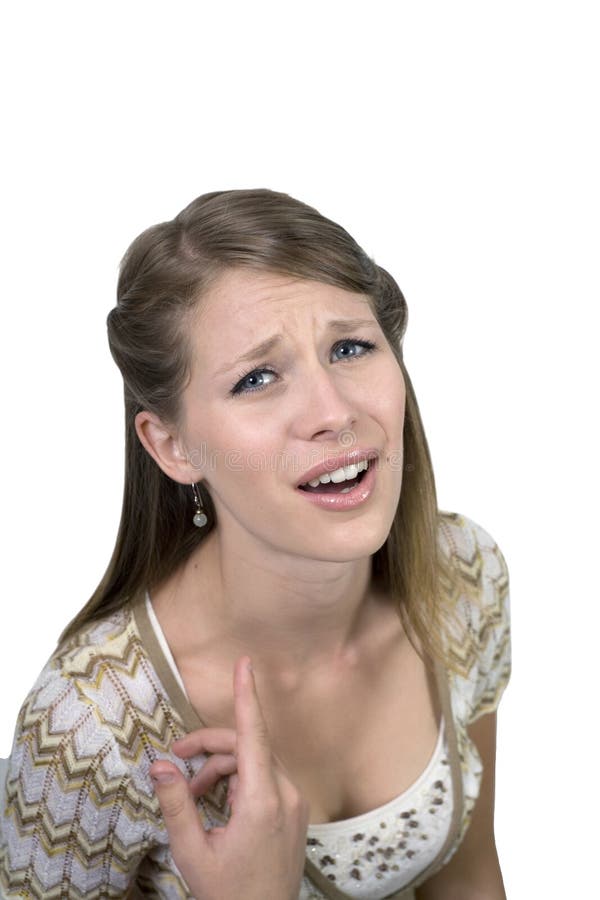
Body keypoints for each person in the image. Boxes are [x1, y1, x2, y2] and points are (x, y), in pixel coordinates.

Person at [0, 189, 511, 899]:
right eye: (258, 378)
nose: (335, 412)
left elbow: (470, 881)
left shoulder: (463, 575)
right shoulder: (91, 728)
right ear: (172, 445)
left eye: (350, 347)